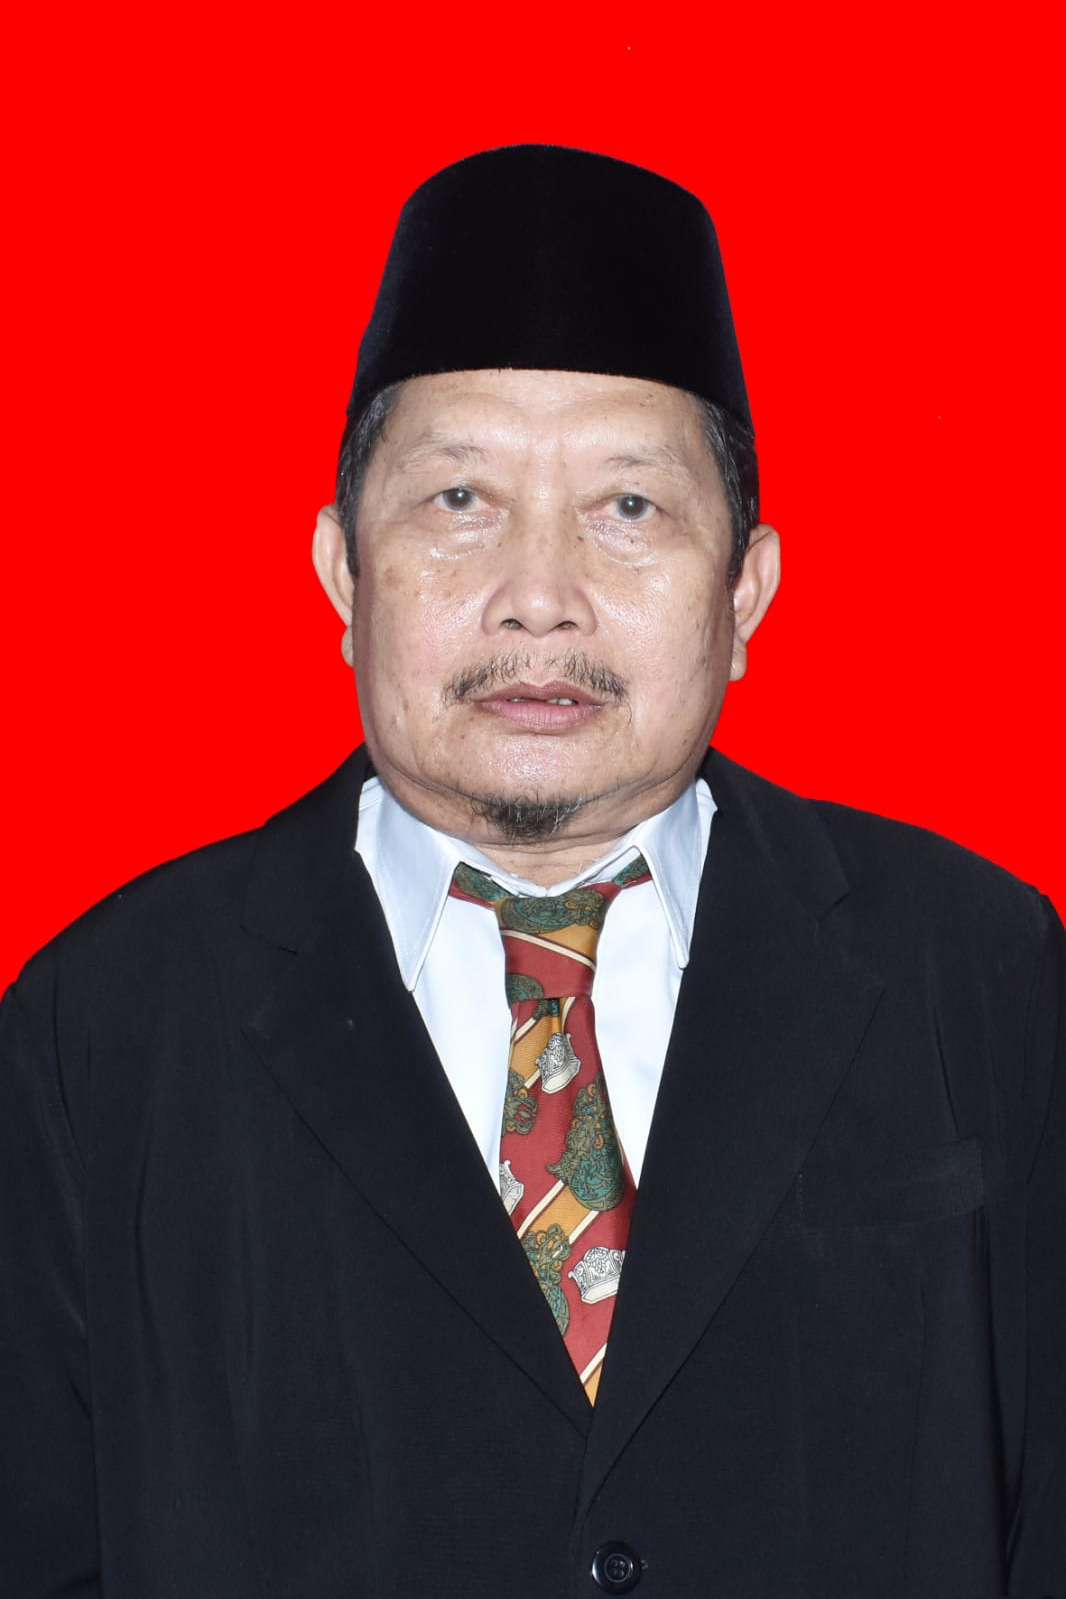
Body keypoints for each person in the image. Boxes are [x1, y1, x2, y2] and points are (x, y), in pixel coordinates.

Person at [1, 144, 1062, 1599]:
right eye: (459, 500)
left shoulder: (977, 967)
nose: (539, 598)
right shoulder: (103, 1024)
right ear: (342, 573)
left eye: (629, 508)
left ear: (744, 590)